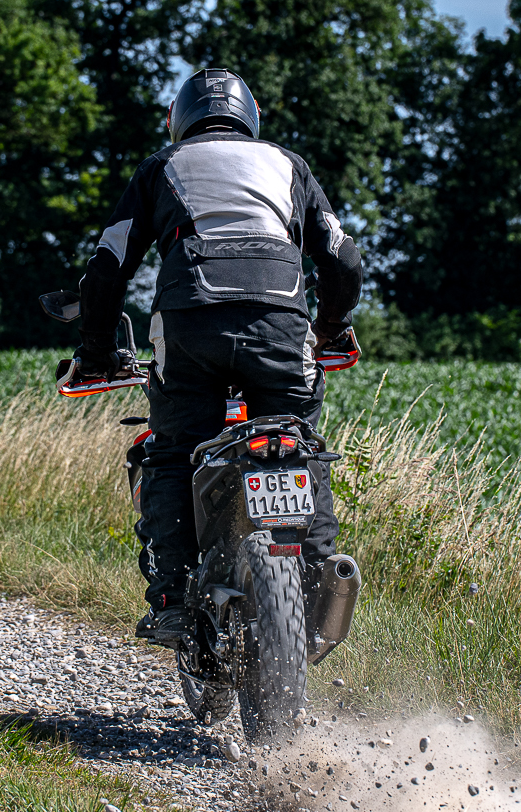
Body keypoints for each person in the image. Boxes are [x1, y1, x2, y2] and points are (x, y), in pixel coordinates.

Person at [73, 67, 362, 646]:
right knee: (298, 442)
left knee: (174, 452)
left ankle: (174, 597)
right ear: (250, 120)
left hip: (191, 328)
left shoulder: (162, 166)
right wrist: (327, 329)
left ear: (180, 121)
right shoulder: (289, 165)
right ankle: (322, 571)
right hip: (282, 326)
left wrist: (97, 347)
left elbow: (108, 266)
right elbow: (342, 257)